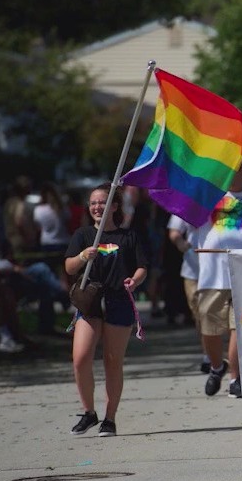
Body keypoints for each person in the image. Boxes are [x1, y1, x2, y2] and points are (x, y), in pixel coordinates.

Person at [64, 183, 148, 437]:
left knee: (113, 361)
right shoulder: (83, 235)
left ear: (114, 206)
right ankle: (89, 413)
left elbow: (142, 267)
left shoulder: (129, 236)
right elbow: (69, 267)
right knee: (80, 358)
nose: (97, 207)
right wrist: (82, 257)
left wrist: (135, 280)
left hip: (118, 301)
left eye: (102, 202)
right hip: (90, 301)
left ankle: (109, 419)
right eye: (93, 203)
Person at [194, 161, 242, 399]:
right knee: (209, 326)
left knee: (239, 326)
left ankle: (235, 378)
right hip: (212, 272)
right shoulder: (207, 196)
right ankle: (218, 367)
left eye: (235, 166)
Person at [167, 213, 206, 370]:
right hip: (193, 271)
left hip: (221, 270)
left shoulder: (225, 200)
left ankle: (229, 355)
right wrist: (180, 242)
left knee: (224, 317)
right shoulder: (188, 203)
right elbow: (174, 230)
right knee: (200, 315)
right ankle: (208, 355)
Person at [33, 182, 71, 287]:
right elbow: (68, 223)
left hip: (47, 243)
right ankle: (65, 294)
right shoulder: (62, 208)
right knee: (64, 273)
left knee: (49, 273)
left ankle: (53, 294)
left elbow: (38, 227)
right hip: (63, 242)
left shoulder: (39, 210)